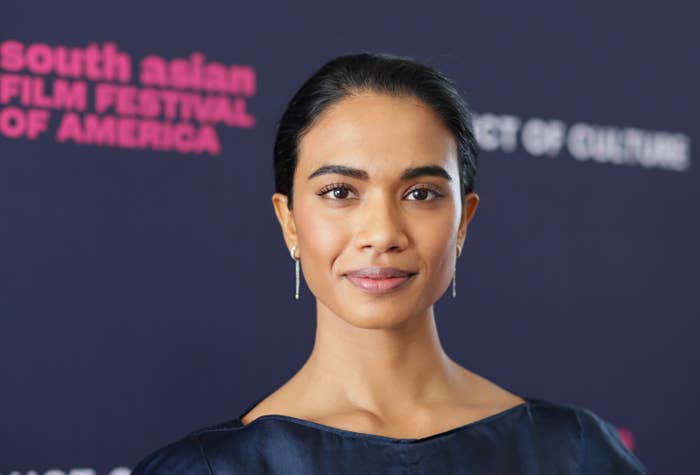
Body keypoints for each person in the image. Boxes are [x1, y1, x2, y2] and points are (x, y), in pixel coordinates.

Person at [131, 52, 648, 474]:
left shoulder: (574, 454)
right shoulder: (208, 469)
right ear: (289, 221)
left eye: (421, 193)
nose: (381, 234)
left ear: (463, 221)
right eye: (340, 192)